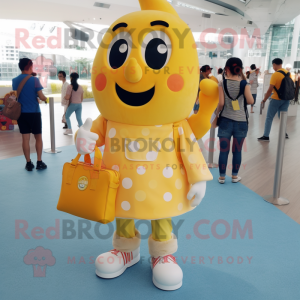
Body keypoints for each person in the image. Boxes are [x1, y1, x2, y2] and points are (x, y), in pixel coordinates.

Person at [215, 57, 254, 184]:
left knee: (223, 150)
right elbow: (250, 101)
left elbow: (221, 103)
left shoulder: (222, 83)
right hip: (241, 122)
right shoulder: (244, 83)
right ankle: (234, 176)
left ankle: (221, 177)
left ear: (227, 68)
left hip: (225, 121)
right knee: (237, 150)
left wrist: (216, 113)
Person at [12, 58, 47, 171]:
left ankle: (28, 163)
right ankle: (39, 162)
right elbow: (41, 96)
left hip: (22, 113)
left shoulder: (15, 80)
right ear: (30, 66)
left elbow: (20, 95)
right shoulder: (34, 80)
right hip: (34, 113)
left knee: (25, 139)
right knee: (38, 137)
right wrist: (45, 99)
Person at [258, 58, 292, 142]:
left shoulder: (275, 74)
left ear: (274, 64)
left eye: (273, 65)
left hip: (276, 99)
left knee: (269, 117)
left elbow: (270, 90)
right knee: (282, 117)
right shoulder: (288, 73)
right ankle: (284, 133)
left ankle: (266, 136)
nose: (273, 67)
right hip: (286, 99)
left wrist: (264, 100)